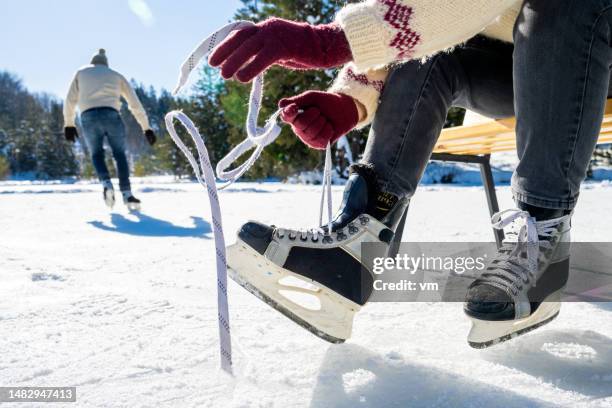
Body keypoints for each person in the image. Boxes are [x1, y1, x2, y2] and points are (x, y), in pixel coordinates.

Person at [216, 0, 612, 345]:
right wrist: (350, 99)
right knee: (433, 54)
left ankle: (545, 233)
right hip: (530, 63)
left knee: (567, 4)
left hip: (591, 46)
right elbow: (410, 13)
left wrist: (331, 41)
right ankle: (355, 247)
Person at [63, 49, 156, 210]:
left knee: (96, 154)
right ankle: (127, 194)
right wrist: (146, 127)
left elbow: (70, 100)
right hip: (111, 114)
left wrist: (69, 124)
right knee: (119, 154)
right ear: (106, 63)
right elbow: (134, 103)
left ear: (93, 62)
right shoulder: (116, 75)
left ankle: (106, 183)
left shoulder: (81, 73)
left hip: (88, 116)